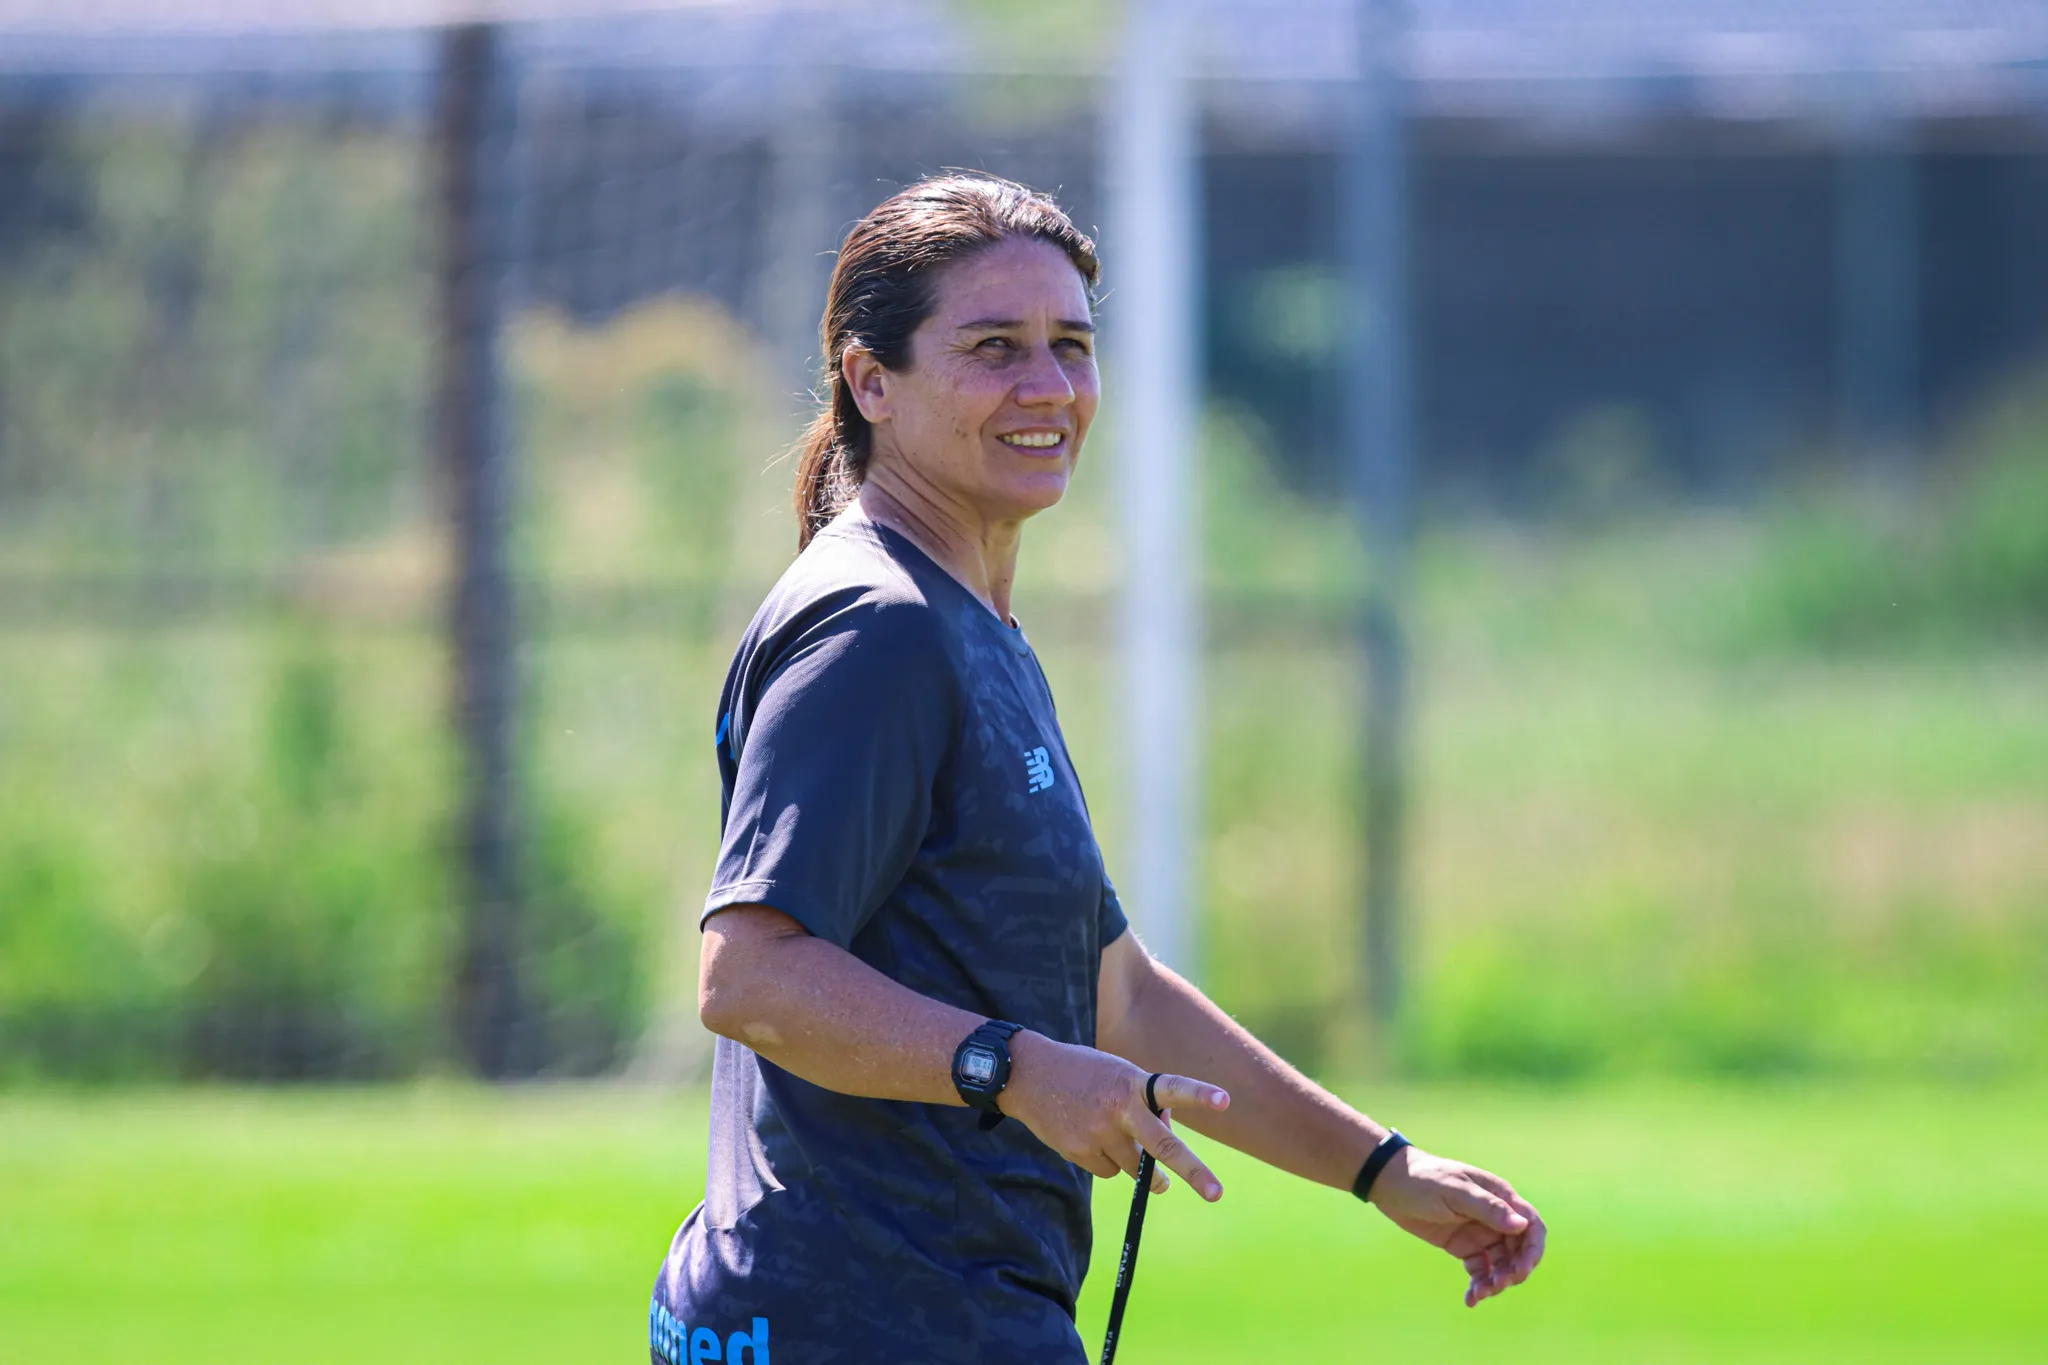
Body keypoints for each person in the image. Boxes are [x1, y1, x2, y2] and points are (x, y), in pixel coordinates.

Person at [648, 173, 1545, 1365]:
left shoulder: (968, 625)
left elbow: (1113, 992)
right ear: (871, 382)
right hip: (853, 1321)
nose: (1048, 387)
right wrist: (1011, 1068)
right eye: (993, 348)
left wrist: (1378, 1169)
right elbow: (750, 976)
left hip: (941, 1317)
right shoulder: (880, 626)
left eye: (1071, 346)